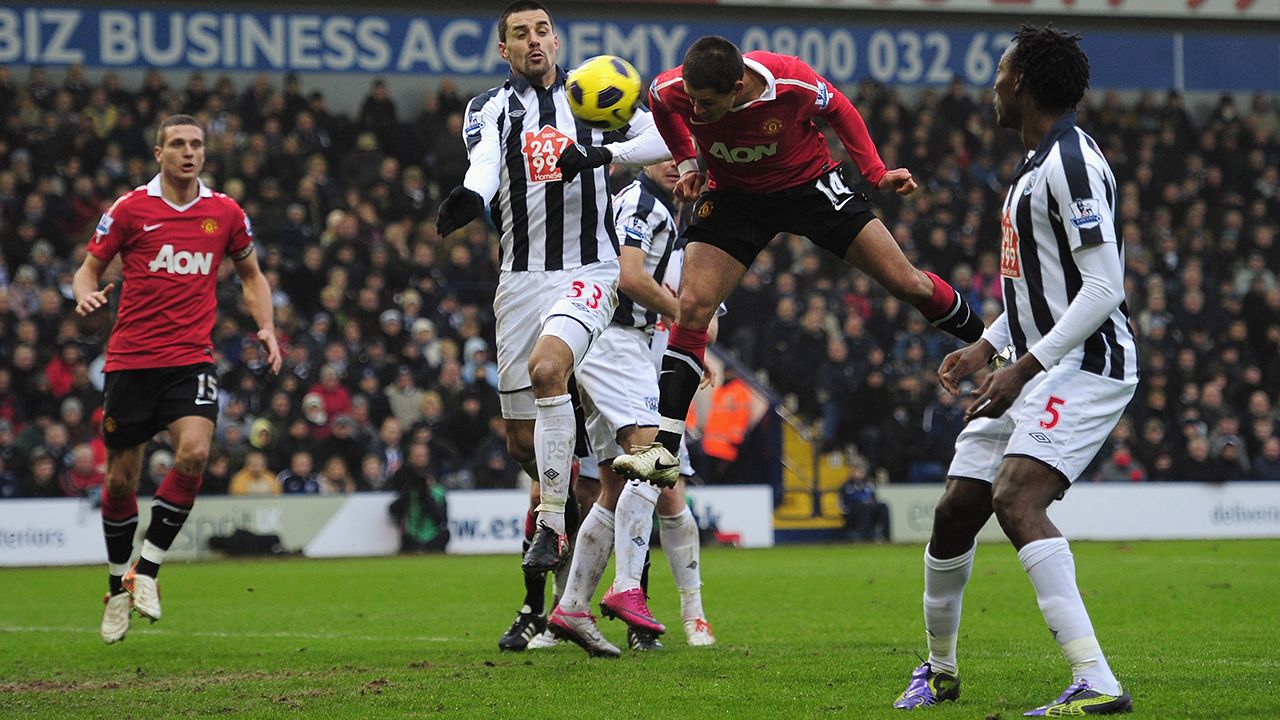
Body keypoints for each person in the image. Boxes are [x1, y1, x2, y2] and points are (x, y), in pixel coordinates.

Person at [892, 26, 1136, 715]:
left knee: (1016, 500)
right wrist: (989, 347)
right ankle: (939, 670)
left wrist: (1022, 367)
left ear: (1022, 82)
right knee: (955, 511)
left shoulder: (1073, 165)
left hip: (1085, 366)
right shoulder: (1038, 164)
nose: (993, 85)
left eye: (1001, 73)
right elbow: (1041, 291)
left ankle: (1097, 678)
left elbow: (1103, 288)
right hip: (1035, 364)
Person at [612, 36, 984, 488]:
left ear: (738, 85)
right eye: (691, 100)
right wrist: (689, 164)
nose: (696, 112)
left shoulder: (790, 81)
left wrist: (875, 173)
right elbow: (659, 103)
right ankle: (665, 450)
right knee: (692, 308)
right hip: (735, 199)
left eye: (706, 104)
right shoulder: (676, 89)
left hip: (808, 189)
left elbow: (841, 109)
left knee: (906, 283)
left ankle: (995, 346)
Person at [435, 1, 667, 653]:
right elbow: (483, 165)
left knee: (581, 398)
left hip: (588, 273)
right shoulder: (488, 109)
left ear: (556, 41)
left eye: (542, 31)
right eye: (519, 35)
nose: (533, 41)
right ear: (503, 51)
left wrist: (600, 153)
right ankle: (572, 593)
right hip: (520, 282)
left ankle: (567, 541)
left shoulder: (594, 92)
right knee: (521, 443)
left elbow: (665, 141)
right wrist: (472, 198)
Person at [74, 113, 282, 645]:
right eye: (178, 144)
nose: (189, 152)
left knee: (193, 453)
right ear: (159, 153)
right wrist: (85, 292)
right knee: (121, 479)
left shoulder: (225, 213)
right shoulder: (130, 209)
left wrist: (266, 327)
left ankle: (146, 570)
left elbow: (251, 275)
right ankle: (117, 586)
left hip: (190, 359)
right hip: (129, 362)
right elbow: (89, 267)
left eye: (197, 144)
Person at [388, 442, 449, 553]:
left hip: (432, 534)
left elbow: (442, 519)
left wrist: (427, 496)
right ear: (411, 457)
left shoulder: (437, 485)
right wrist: (409, 493)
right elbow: (393, 509)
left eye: (424, 455)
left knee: (445, 534)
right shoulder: (402, 477)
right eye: (418, 456)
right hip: (412, 534)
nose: (421, 459)